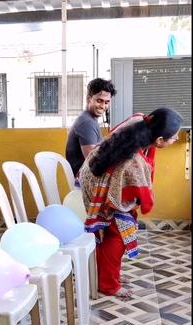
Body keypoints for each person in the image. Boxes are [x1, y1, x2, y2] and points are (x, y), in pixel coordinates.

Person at [78, 107, 182, 298]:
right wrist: (143, 203)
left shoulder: (139, 124)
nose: (175, 140)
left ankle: (108, 275)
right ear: (159, 140)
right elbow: (144, 197)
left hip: (93, 178)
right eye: (174, 137)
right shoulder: (134, 160)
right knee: (116, 234)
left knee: (116, 229)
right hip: (96, 188)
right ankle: (109, 285)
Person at [66, 78, 117, 178]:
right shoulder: (87, 123)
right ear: (89, 99)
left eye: (106, 102)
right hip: (85, 182)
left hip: (89, 178)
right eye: (99, 101)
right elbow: (93, 163)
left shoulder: (89, 119)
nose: (103, 106)